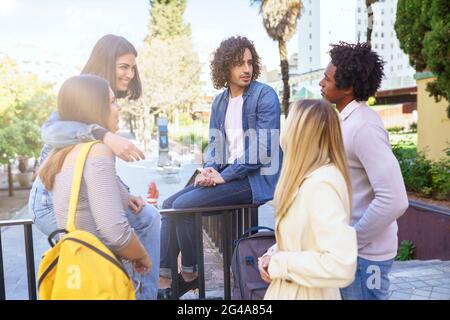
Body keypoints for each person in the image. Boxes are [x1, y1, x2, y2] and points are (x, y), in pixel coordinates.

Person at [28, 34, 160, 300]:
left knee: (136, 225)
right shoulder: (81, 96)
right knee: (120, 238)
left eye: (133, 68)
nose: (130, 75)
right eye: (124, 67)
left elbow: (95, 172)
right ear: (105, 64)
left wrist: (123, 194)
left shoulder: (99, 113)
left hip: (67, 193)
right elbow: (51, 132)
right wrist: (103, 134)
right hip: (49, 198)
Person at [158, 36, 282, 299]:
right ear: (226, 67)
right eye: (239, 63)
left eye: (250, 63)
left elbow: (262, 150)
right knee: (169, 203)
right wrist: (209, 171)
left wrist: (224, 177)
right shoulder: (220, 102)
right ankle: (166, 278)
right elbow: (216, 145)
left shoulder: (264, 96)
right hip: (227, 176)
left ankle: (190, 274)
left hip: (254, 180)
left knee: (183, 206)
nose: (246, 69)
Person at [38, 74, 151, 287]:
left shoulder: (65, 152)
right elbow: (115, 233)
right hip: (100, 276)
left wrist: (124, 195)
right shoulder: (98, 150)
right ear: (94, 108)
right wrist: (142, 255)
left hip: (79, 273)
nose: (118, 108)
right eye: (112, 102)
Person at [319, 42, 409, 300]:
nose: (321, 84)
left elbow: (394, 199)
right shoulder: (344, 120)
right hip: (350, 253)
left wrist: (351, 240)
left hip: (365, 259)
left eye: (328, 79)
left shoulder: (365, 128)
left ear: (347, 88)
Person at [258, 99, 357, 300]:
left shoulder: (321, 185)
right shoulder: (309, 179)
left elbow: (340, 264)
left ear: (300, 134)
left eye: (289, 123)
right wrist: (272, 254)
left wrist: (280, 263)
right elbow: (305, 240)